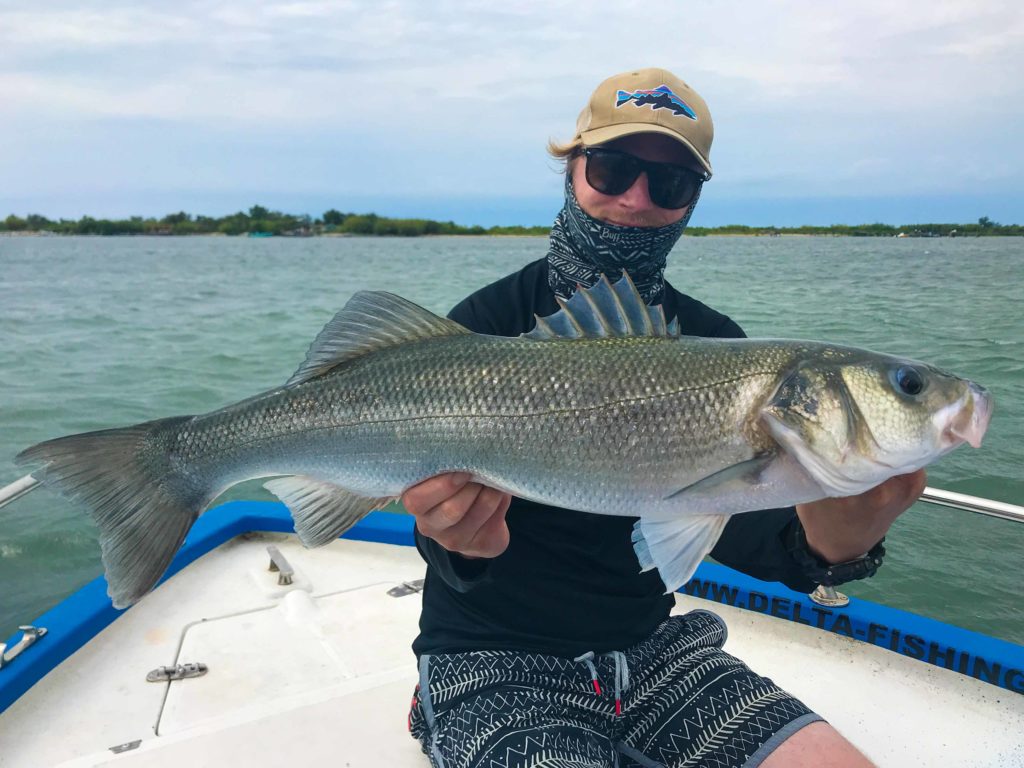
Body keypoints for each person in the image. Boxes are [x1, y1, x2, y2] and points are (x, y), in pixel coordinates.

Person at [403, 68, 925, 768]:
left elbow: (743, 533)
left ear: (692, 203)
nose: (636, 199)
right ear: (572, 168)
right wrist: (456, 539)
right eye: (613, 168)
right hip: (490, 657)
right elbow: (436, 539)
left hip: (656, 655)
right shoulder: (483, 331)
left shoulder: (719, 347)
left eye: (670, 184)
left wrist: (834, 543)